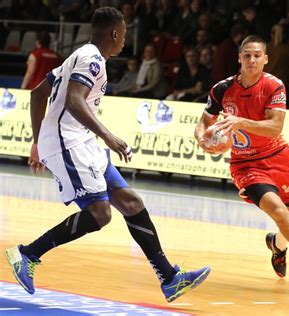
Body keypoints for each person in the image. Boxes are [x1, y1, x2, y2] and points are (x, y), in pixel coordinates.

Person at [5, 7, 210, 303]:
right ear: (114, 34)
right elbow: (75, 101)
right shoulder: (91, 59)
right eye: (124, 35)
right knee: (100, 213)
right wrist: (108, 136)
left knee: (131, 202)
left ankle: (169, 279)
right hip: (68, 141)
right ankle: (27, 255)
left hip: (78, 140)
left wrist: (37, 142)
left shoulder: (80, 55)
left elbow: (38, 94)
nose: (125, 41)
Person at [194, 35, 289, 283]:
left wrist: (240, 121)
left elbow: (275, 127)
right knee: (280, 213)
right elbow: (203, 122)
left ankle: (277, 246)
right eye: (247, 55)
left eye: (256, 55)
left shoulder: (275, 86)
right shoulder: (222, 89)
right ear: (239, 58)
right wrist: (202, 139)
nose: (251, 60)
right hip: (246, 165)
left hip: (278, 157)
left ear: (266, 59)